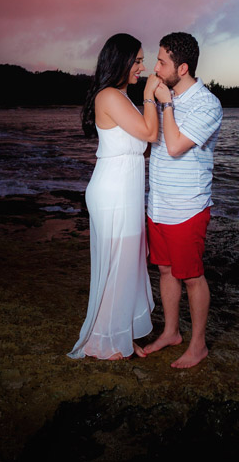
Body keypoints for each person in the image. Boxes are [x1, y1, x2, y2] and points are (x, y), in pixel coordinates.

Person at [68, 33, 162, 360]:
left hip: (126, 189)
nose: (143, 67)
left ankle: (119, 334)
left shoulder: (122, 98)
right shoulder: (109, 96)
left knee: (127, 267)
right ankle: (101, 341)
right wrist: (150, 94)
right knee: (115, 267)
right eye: (137, 61)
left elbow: (144, 146)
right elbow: (150, 134)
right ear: (121, 61)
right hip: (113, 192)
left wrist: (144, 101)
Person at [143, 32, 222, 368]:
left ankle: (198, 344)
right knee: (164, 271)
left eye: (162, 62)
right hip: (157, 202)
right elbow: (150, 142)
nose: (155, 67)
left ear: (183, 67)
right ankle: (171, 332)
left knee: (191, 276)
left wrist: (166, 104)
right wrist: (152, 102)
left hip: (187, 206)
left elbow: (175, 146)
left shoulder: (207, 104)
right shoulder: (165, 97)